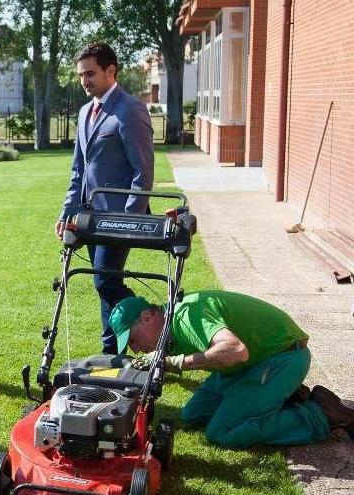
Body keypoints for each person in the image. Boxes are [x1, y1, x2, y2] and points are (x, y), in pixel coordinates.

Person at [109, 291, 354, 448]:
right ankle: (284, 398)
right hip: (246, 365)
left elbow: (236, 350)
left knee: (222, 432)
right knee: (192, 416)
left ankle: (320, 415)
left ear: (148, 318)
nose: (135, 348)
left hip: (281, 357)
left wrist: (178, 362)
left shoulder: (188, 316)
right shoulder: (167, 329)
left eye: (132, 339)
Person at [55, 42, 154, 355]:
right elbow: (78, 170)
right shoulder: (85, 112)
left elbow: (143, 171)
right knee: (103, 281)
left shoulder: (131, 109)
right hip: (90, 217)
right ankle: (112, 350)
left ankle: (158, 322)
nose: (84, 80)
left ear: (111, 71)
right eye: (81, 75)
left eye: (90, 73)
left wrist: (128, 219)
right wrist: (67, 213)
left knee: (104, 282)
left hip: (119, 218)